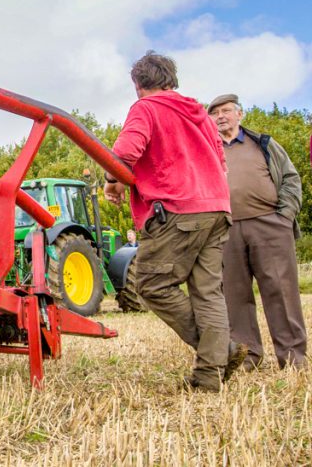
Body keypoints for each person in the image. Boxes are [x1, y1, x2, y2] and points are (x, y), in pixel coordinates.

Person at [103, 52, 245, 391]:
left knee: (152, 284)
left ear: (138, 85)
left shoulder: (146, 108)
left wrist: (113, 180)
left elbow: (123, 154)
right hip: (217, 207)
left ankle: (219, 352)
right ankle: (209, 377)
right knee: (208, 292)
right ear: (171, 79)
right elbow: (221, 161)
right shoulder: (199, 114)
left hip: (177, 208)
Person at [208, 94, 306, 369]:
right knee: (234, 296)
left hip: (269, 225)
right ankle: (247, 357)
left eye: (226, 110)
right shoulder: (207, 150)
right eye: (214, 113)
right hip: (225, 229)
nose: (221, 116)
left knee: (281, 292)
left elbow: (290, 178)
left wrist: (284, 216)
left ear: (240, 114)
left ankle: (293, 358)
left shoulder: (263, 143)